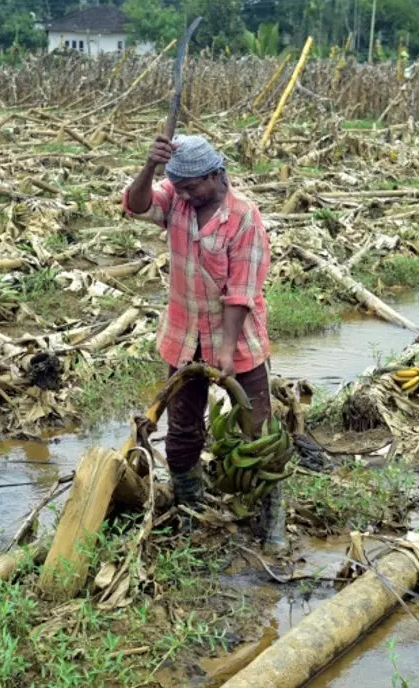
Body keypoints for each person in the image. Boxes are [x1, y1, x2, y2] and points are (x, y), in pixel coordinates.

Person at [122, 134, 285, 547]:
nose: (187, 194)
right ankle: (191, 509)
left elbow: (241, 292)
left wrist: (226, 352)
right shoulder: (177, 197)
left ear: (216, 175)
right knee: (182, 431)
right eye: (181, 187)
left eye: (194, 186)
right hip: (183, 335)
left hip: (238, 338)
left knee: (258, 432)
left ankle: (272, 518)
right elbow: (136, 205)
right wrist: (149, 167)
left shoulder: (244, 217)